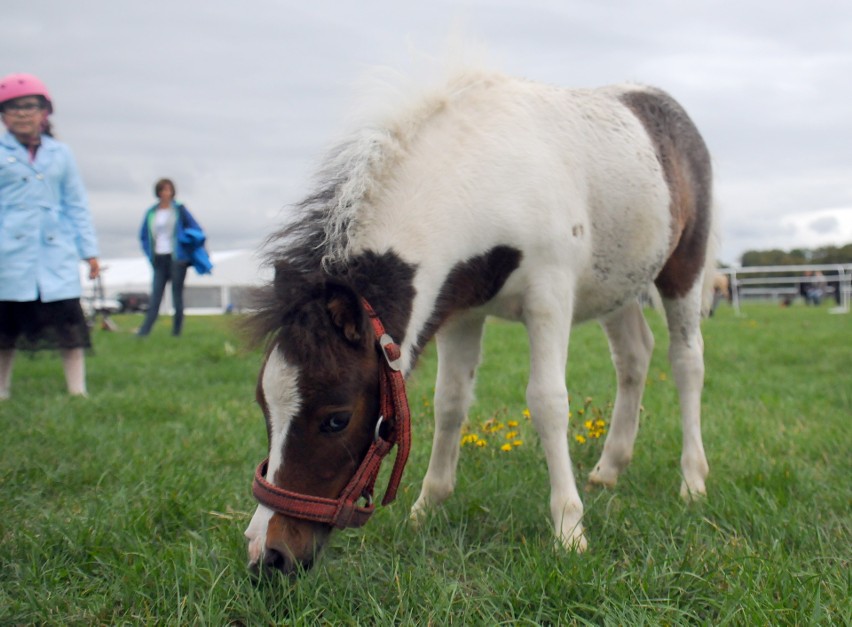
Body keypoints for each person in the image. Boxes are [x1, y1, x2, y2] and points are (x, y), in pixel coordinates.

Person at [0, 73, 100, 399]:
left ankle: (77, 391)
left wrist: (89, 252)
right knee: (5, 332)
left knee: (69, 329)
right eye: (13, 107)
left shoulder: (61, 154)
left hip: (54, 254)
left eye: (30, 106)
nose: (23, 113)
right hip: (8, 257)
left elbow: (76, 204)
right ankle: (1, 390)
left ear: (44, 112)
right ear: (4, 115)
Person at [137, 178, 211, 337]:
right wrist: (149, 253)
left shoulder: (179, 210)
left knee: (177, 295)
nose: (166, 193)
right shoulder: (151, 212)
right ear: (158, 192)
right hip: (159, 258)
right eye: (163, 190)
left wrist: (185, 240)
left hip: (177, 258)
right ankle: (144, 332)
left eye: (169, 190)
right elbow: (143, 235)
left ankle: (176, 333)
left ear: (172, 192)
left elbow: (196, 229)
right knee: (156, 295)